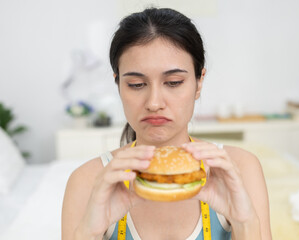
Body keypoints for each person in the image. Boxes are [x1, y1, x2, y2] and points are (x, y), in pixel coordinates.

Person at [62, 7, 272, 240]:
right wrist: (87, 233)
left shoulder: (238, 170)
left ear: (199, 82)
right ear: (118, 85)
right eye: (136, 85)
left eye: (173, 82)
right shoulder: (88, 182)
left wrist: (245, 224)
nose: (154, 103)